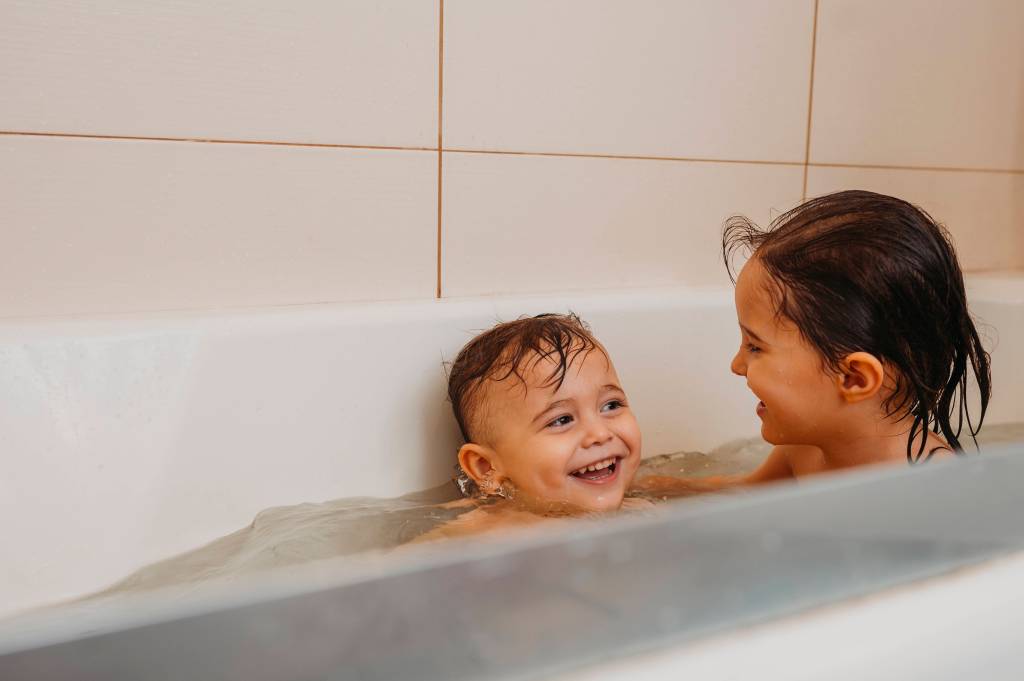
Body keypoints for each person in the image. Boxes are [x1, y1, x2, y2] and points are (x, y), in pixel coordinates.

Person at [638, 190, 991, 495]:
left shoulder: (931, 486)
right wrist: (645, 489)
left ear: (853, 378)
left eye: (755, 347)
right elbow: (742, 494)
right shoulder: (804, 447)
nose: (737, 365)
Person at [415, 312, 646, 541]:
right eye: (561, 420)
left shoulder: (642, 496)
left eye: (611, 405)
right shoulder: (489, 534)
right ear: (486, 468)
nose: (600, 433)